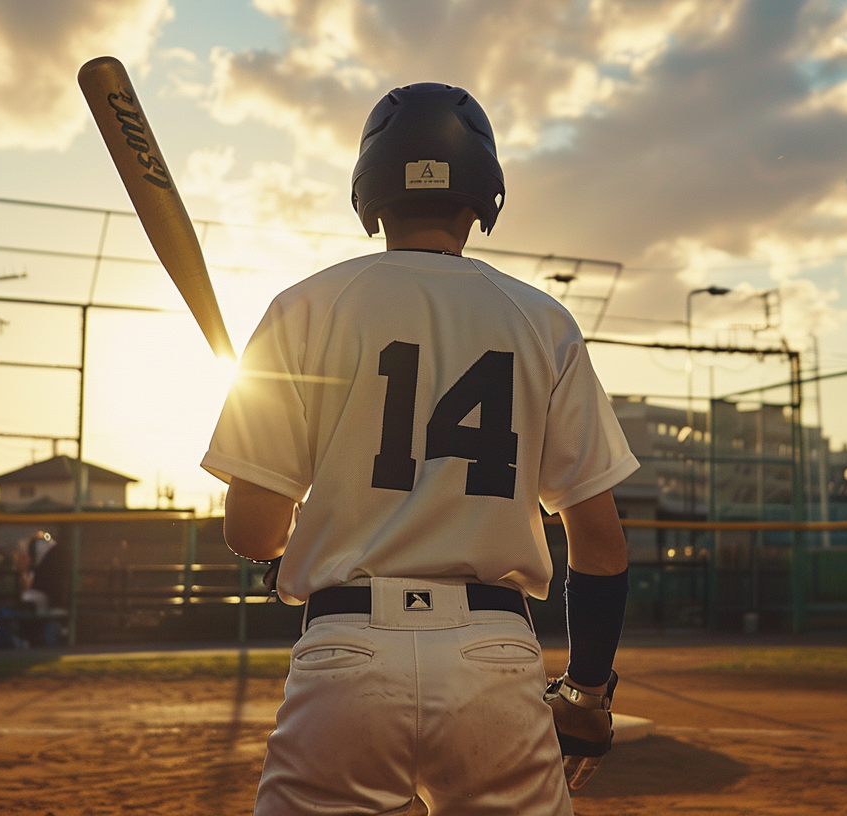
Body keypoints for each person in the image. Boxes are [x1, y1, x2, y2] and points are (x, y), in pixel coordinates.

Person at [202, 82, 638, 815]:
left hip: (344, 653)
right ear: (484, 195)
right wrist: (588, 693)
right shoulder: (544, 321)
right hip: (493, 657)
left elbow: (252, 531)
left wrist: (297, 541)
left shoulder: (302, 307)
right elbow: (600, 545)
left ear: (369, 193)